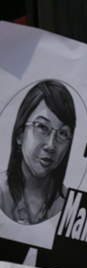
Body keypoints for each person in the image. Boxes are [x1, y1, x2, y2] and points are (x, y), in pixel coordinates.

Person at [0, 80, 76, 225]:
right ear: (20, 134)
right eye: (42, 127)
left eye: (63, 134)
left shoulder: (69, 204)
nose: (51, 145)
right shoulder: (2, 193)